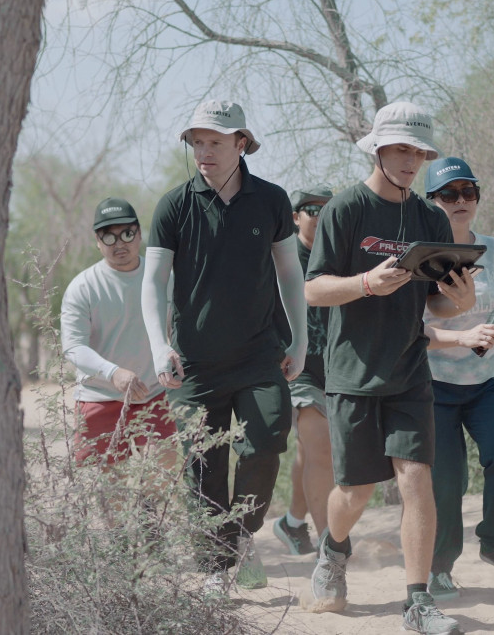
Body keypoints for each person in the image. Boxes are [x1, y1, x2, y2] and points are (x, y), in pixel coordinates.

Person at [304, 101, 474, 635]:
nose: (410, 160)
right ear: (378, 147)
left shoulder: (430, 218)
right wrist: (363, 284)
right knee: (354, 492)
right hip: (352, 372)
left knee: (415, 479)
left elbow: (436, 303)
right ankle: (332, 552)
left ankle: (417, 603)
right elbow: (312, 289)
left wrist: (460, 303)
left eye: (418, 151)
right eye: (401, 148)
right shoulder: (346, 209)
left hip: (408, 368)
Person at [141, 100, 308, 594]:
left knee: (267, 441)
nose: (204, 151)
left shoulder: (272, 200)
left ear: (241, 143)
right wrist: (157, 345)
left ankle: (242, 534)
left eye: (215, 141)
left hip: (260, 353)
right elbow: (152, 282)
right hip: (194, 363)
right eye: (197, 141)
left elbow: (290, 274)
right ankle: (215, 569)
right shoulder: (175, 204)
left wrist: (297, 341)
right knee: (202, 466)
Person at [421, 158, 494, 599]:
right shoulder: (420, 256)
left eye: (468, 192)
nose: (460, 201)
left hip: (490, 381)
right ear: (431, 202)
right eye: (449, 194)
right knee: (447, 483)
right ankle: (440, 568)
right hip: (433, 387)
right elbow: (413, 333)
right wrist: (461, 337)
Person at [60, 198, 175, 478]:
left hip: (154, 394)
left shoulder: (165, 276)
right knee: (113, 497)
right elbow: (73, 347)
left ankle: (149, 521)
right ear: (97, 242)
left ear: (139, 233)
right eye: (108, 237)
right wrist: (113, 373)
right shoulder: (83, 287)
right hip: (99, 397)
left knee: (163, 476)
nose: (119, 243)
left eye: (126, 233)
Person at [270, 185, 335, 556]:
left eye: (328, 209)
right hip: (298, 370)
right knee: (320, 446)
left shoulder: (342, 254)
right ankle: (331, 546)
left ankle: (292, 523)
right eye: (312, 209)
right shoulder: (282, 257)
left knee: (310, 452)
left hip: (338, 369)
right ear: (295, 217)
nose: (320, 216)